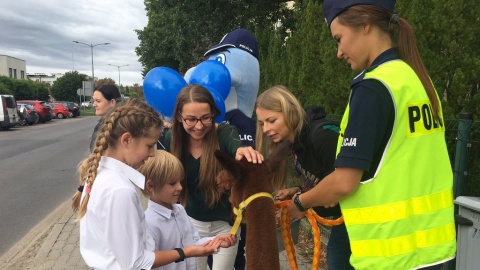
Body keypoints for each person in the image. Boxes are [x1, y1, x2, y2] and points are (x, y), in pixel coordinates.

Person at [288, 1, 456, 269]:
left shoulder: (373, 88)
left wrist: (300, 202)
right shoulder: (416, 80)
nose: (339, 52)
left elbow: (344, 182)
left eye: (339, 39)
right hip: (430, 251)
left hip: (389, 253)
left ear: (364, 24)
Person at [71, 98, 221, 269]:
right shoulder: (120, 190)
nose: (152, 154)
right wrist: (185, 252)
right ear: (126, 140)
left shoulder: (101, 175)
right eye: (149, 146)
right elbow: (135, 262)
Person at [163, 84, 263, 270]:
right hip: (191, 224)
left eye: (205, 118)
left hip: (225, 226)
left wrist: (242, 151)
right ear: (179, 117)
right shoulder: (172, 139)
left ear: (213, 114)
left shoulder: (225, 133)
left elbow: (236, 147)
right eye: (191, 120)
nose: (199, 126)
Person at [255, 85, 353, 270]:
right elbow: (324, 179)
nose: (266, 129)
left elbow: (340, 184)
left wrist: (301, 202)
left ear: (289, 111)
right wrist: (300, 190)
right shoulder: (296, 144)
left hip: (363, 215)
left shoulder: (322, 137)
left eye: (271, 120)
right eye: (262, 123)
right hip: (346, 219)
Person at [138, 150, 237, 270]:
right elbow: (150, 260)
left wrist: (215, 240)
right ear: (150, 186)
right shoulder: (149, 222)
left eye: (180, 181)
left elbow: (193, 243)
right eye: (172, 183)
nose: (180, 187)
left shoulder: (180, 210)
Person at [90, 84, 122, 151]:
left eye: (98, 101)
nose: (94, 105)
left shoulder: (119, 127)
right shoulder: (125, 122)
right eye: (94, 101)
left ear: (112, 102)